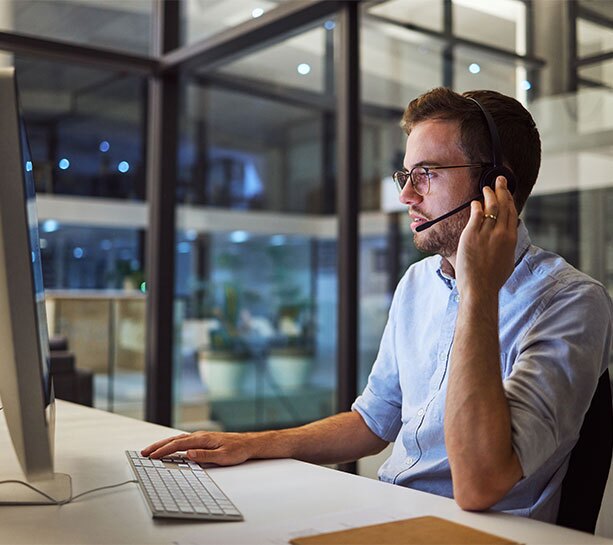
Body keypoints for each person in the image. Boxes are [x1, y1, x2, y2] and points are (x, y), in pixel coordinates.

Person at [142, 88, 613, 523]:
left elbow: (480, 484)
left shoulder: (572, 303)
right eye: (406, 175)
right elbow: (375, 420)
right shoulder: (417, 284)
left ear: (496, 185)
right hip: (394, 511)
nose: (406, 195)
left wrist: (479, 289)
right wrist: (254, 444)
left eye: (426, 174)